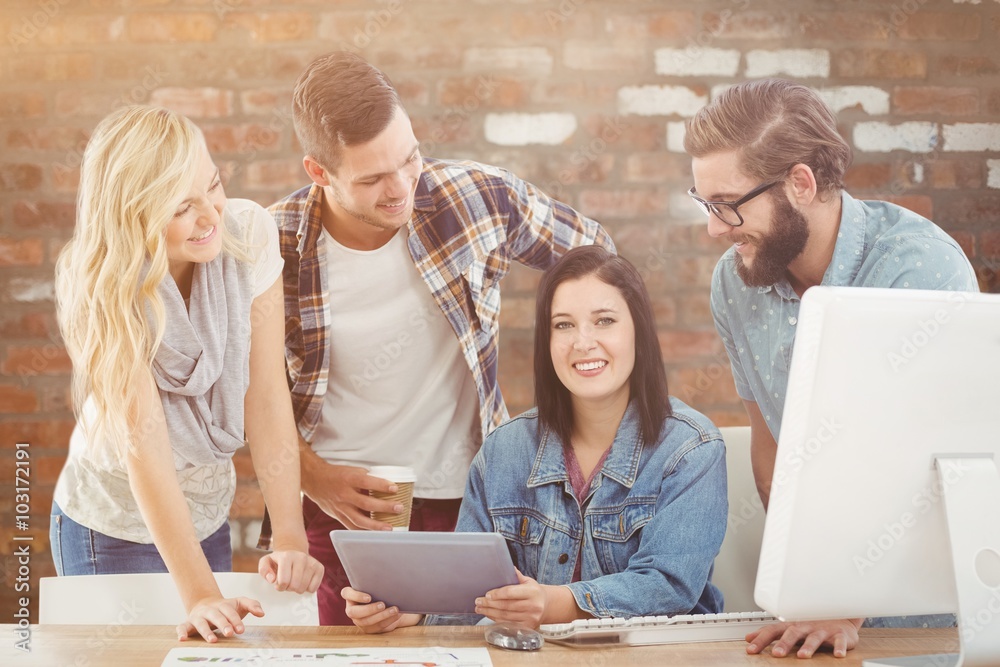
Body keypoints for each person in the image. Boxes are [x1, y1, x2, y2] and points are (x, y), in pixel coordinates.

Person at [265, 51, 614, 625]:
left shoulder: (476, 197)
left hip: (472, 495)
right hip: (345, 510)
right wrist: (313, 476)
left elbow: (599, 260)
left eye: (409, 159)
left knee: (477, 652)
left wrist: (571, 369)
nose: (401, 187)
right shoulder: (276, 246)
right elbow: (252, 393)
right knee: (358, 658)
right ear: (318, 172)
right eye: (373, 178)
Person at [684, 78, 979, 658]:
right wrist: (810, 594)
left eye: (728, 205)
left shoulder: (919, 271)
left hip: (936, 621)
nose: (715, 228)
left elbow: (928, 472)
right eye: (705, 204)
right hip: (820, 614)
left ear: (800, 183)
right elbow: (770, 452)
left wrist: (845, 603)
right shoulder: (734, 281)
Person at [342, 245, 728, 631]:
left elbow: (669, 586)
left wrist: (552, 603)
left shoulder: (690, 448)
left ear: (639, 332)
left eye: (604, 321)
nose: (583, 342)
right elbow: (469, 591)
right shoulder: (504, 451)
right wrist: (410, 610)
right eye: (563, 325)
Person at [51, 105, 324, 643]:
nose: (211, 216)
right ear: (135, 217)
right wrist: (200, 594)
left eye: (213, 185)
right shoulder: (103, 289)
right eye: (182, 208)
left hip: (202, 518)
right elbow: (144, 449)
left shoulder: (248, 235)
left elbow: (266, 395)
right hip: (110, 525)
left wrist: (290, 534)